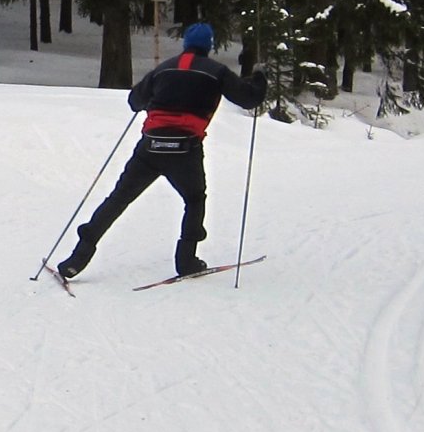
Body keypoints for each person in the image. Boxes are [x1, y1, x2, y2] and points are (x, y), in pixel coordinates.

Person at [56, 22, 267, 280]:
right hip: (185, 150)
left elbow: (135, 101)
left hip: (150, 147)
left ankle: (78, 257)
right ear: (209, 46)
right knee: (194, 199)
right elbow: (249, 99)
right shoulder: (217, 72)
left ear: (185, 44)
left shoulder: (164, 68)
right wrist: (259, 78)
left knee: (118, 199)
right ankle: (186, 260)